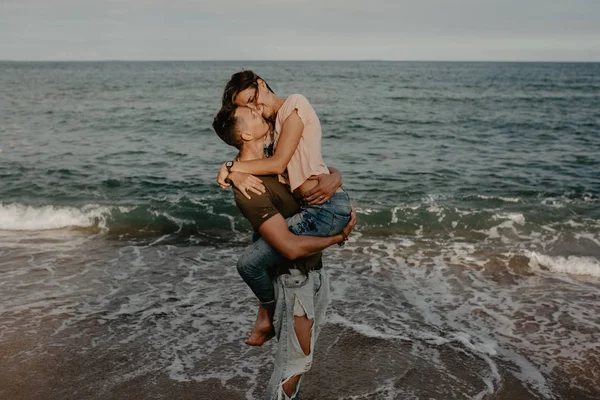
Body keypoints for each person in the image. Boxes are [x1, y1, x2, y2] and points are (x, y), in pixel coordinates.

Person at [212, 104, 356, 399]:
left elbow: (319, 170)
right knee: (293, 367)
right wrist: (339, 236)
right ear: (247, 132)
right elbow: (289, 249)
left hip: (314, 274)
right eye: (251, 114)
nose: (259, 111)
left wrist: (336, 177)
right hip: (294, 284)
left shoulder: (273, 161)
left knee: (300, 365)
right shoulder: (249, 188)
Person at [215, 70, 352, 345]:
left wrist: (232, 167)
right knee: (262, 234)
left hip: (324, 207)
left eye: (254, 99)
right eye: (248, 107)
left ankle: (268, 312)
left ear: (261, 83)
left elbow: (279, 164)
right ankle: (266, 314)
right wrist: (234, 170)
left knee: (250, 263)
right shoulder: (274, 129)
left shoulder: (293, 106)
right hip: (316, 206)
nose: (256, 108)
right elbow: (308, 162)